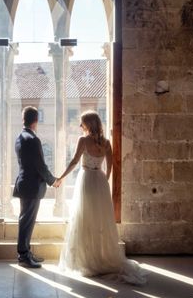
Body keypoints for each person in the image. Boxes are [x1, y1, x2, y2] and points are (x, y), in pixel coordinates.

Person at [57, 111, 147, 285]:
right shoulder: (106, 143)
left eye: (82, 123)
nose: (80, 126)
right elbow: (111, 164)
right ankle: (99, 257)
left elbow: (75, 161)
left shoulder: (83, 141)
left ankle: (86, 260)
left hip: (86, 180)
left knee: (85, 219)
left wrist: (61, 177)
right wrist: (104, 179)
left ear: (89, 125)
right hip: (100, 181)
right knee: (100, 221)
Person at [13, 106, 62, 268]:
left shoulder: (20, 137)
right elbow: (40, 165)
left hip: (23, 183)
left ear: (23, 119)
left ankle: (26, 252)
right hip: (32, 186)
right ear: (36, 120)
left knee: (25, 220)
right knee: (27, 221)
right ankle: (23, 256)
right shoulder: (33, 140)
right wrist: (53, 181)